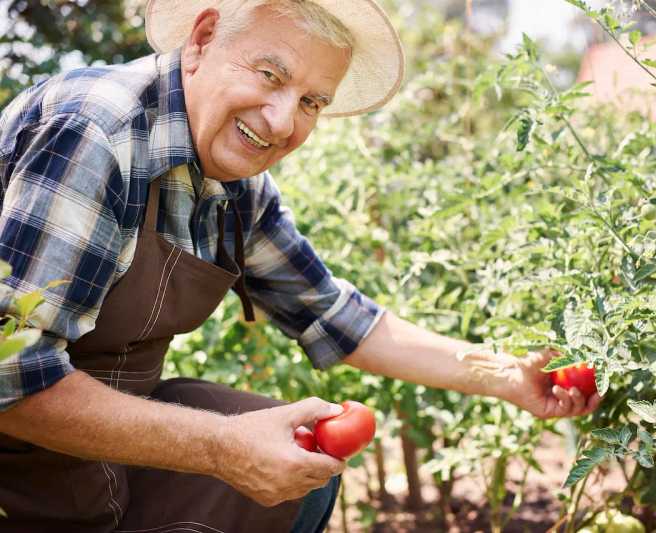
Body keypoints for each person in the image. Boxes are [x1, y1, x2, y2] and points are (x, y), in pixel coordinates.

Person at [0, 0, 602, 531]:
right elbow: (12, 380)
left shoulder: (233, 184)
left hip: (104, 445)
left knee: (298, 478)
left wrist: (506, 376)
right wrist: (221, 448)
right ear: (203, 40)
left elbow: (335, 315)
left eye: (312, 100)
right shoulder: (96, 134)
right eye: (270, 74)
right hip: (19, 460)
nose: (283, 122)